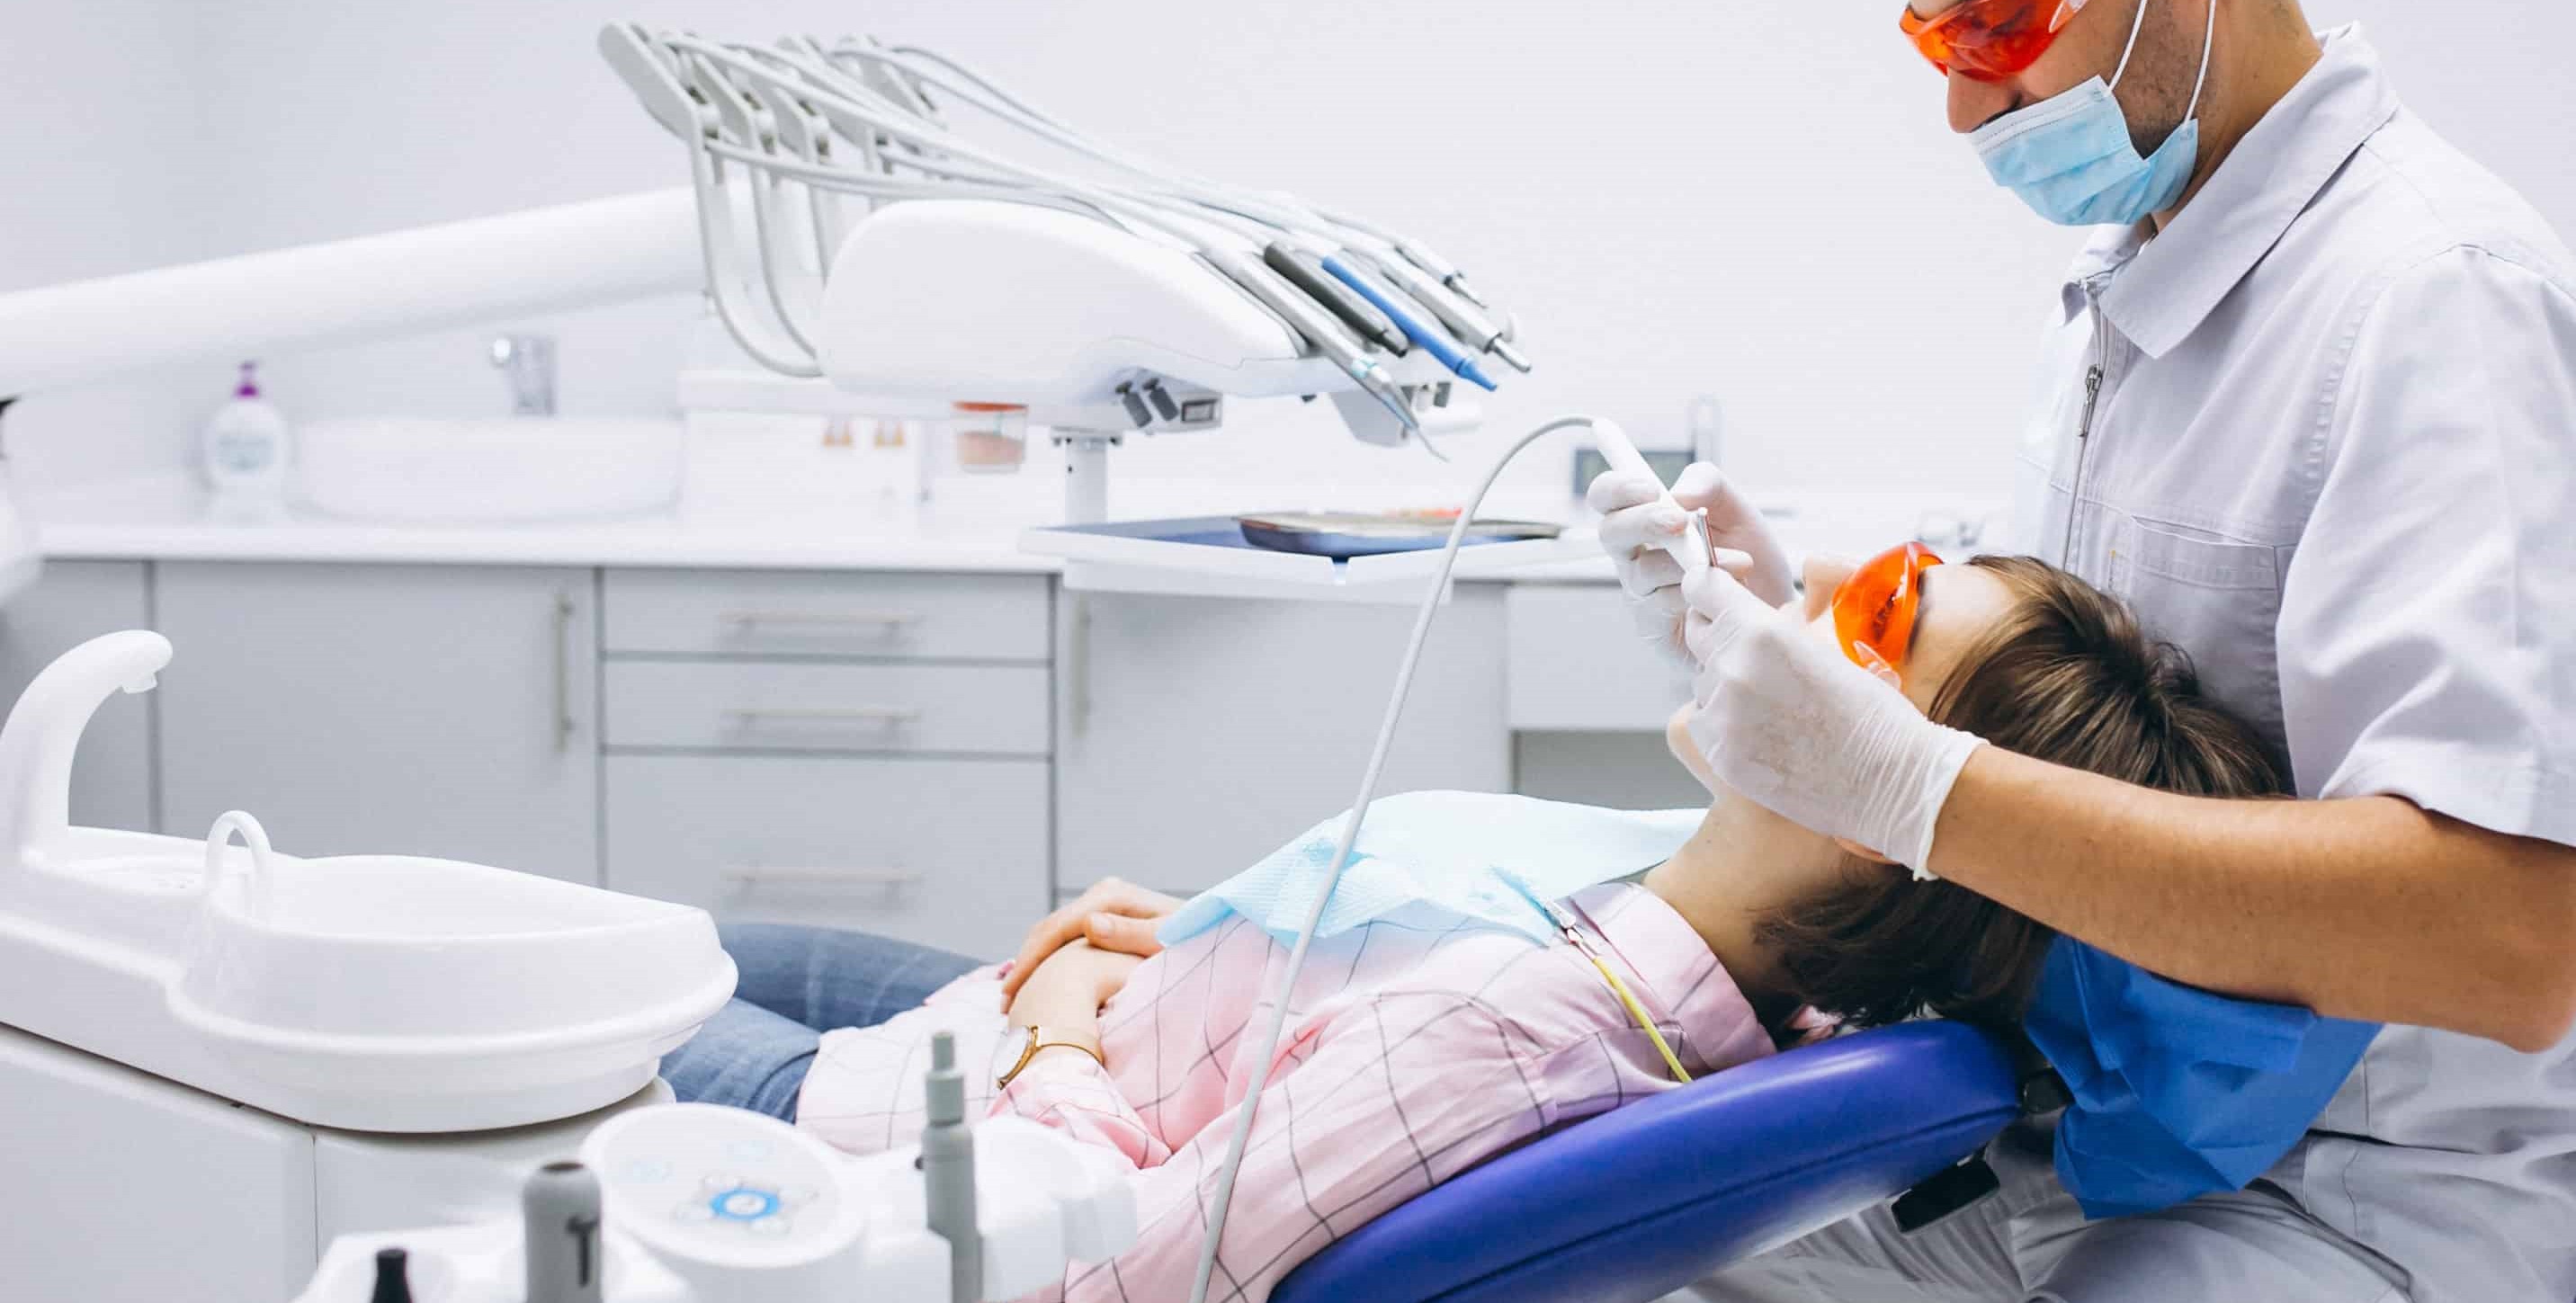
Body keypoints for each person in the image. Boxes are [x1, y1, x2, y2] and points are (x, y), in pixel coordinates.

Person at [1592, 0, 2576, 1303]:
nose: (1960, 103)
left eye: (1996, 26)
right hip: (2073, 1141)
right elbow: (2072, 734)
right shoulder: (2128, 284)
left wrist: (1915, 788)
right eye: (1933, 39)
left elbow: (2505, 938)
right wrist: (1804, 650)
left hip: (2332, 1203)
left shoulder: (2441, 303)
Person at [663, 553, 2291, 1302]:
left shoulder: (1511, 1045)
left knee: (563, 992)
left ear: (1892, 828)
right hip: (1087, 1023)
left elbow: (1107, 1279)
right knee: (699, 932)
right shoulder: (1730, 948)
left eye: (1871, 620)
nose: (1796, 616)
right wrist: (1236, 940)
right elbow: (1342, 1044)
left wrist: (1066, 1019)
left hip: (910, 1139)